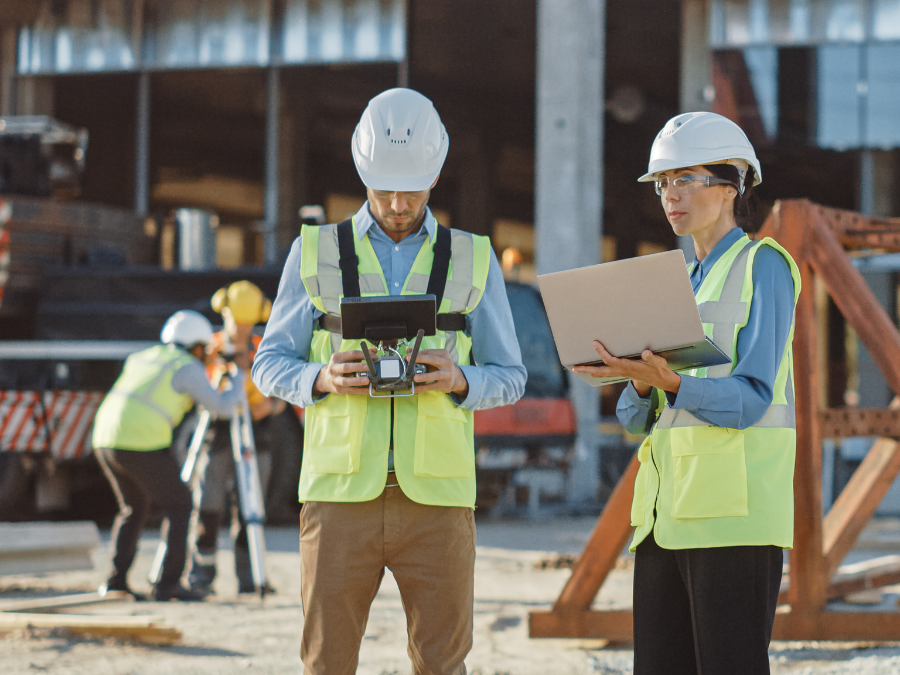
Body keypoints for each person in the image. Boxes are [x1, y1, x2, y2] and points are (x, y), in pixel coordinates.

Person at [252, 87, 526, 674]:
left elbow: (512, 375)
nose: (399, 203)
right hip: (339, 494)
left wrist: (460, 380)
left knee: (442, 665)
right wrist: (321, 376)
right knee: (326, 662)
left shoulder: (475, 258)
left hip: (440, 499)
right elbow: (269, 363)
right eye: (384, 189)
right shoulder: (314, 252)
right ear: (362, 172)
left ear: (436, 177)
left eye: (413, 188)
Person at [573, 112, 800, 674]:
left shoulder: (762, 267)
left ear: (730, 186)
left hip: (734, 519)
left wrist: (670, 384)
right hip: (664, 518)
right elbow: (636, 420)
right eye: (662, 184)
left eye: (684, 179)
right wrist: (628, 374)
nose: (669, 196)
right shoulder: (678, 282)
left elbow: (750, 399)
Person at [93, 310, 246, 602]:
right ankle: (168, 585)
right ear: (197, 346)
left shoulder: (145, 356)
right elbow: (222, 407)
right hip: (139, 440)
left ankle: (116, 582)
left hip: (106, 438)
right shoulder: (186, 366)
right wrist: (238, 375)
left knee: (133, 507)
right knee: (180, 505)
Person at [188, 280, 288, 595]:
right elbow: (201, 387)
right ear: (226, 313)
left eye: (248, 324)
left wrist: (267, 406)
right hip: (217, 432)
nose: (242, 330)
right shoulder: (212, 347)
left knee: (251, 507)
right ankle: (201, 575)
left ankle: (249, 576)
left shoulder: (263, 346)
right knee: (209, 503)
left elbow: (280, 393)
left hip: (256, 433)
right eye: (237, 322)